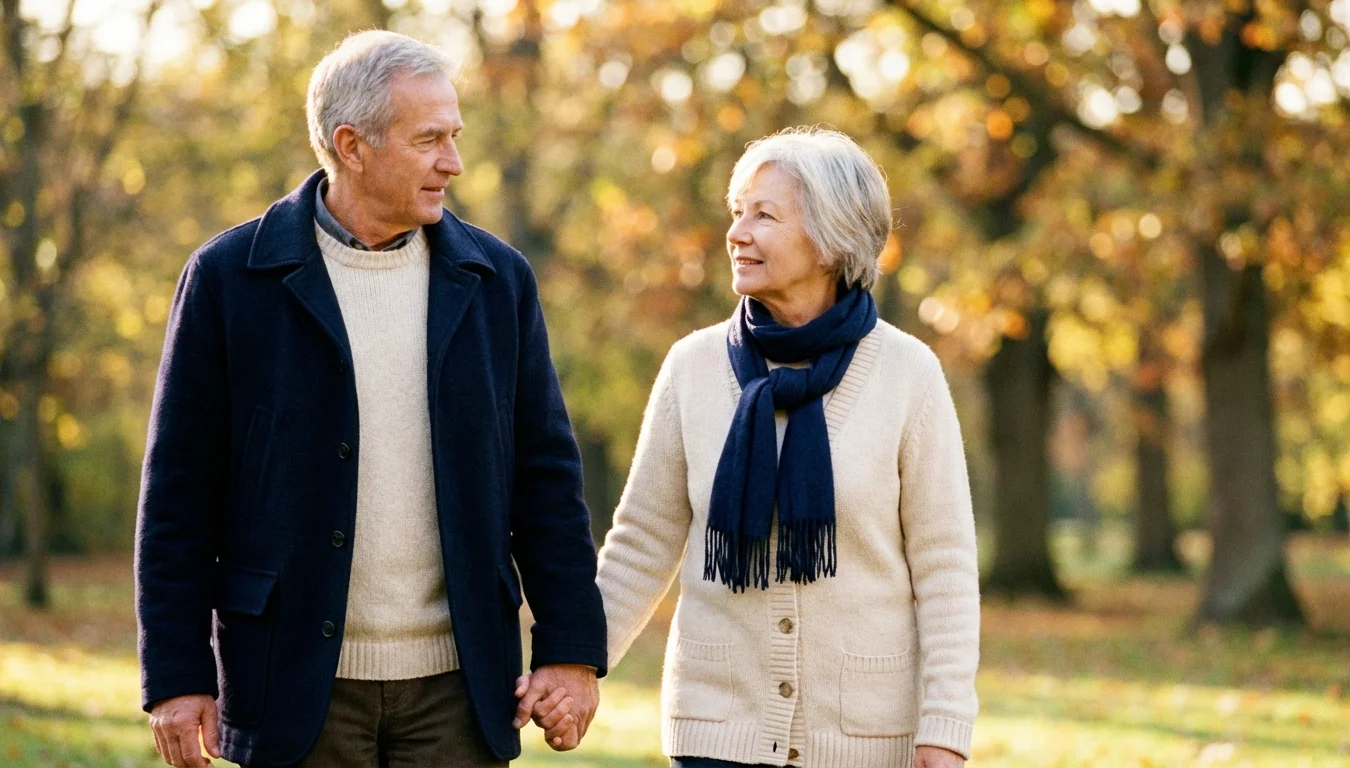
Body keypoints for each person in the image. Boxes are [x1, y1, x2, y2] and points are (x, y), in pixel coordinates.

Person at [136, 31, 605, 768]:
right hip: (290, 688)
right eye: (429, 140)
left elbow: (547, 480)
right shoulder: (230, 280)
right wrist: (176, 674)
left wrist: (571, 650)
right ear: (352, 146)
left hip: (461, 690)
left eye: (454, 136)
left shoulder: (497, 281)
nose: (453, 161)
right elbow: (177, 499)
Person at [585, 127, 980, 768]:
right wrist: (575, 664)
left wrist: (944, 726)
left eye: (764, 215)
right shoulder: (693, 366)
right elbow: (641, 543)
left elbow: (945, 568)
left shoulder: (909, 374)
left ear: (833, 236)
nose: (737, 233)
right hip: (718, 732)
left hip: (863, 739)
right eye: (737, 213)